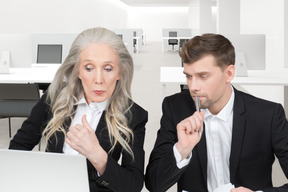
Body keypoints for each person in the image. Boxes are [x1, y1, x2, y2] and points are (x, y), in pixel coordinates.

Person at [9, 27, 148, 192]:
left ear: (120, 71)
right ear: (78, 70)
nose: (98, 80)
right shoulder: (53, 98)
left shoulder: (133, 115)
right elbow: (17, 151)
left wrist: (98, 156)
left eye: (108, 68)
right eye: (89, 68)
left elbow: (133, 185)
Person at [145, 33, 288, 192]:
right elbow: (154, 184)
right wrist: (181, 150)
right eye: (189, 77)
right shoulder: (175, 108)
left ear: (229, 74)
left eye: (203, 76)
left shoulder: (268, 116)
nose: (193, 87)